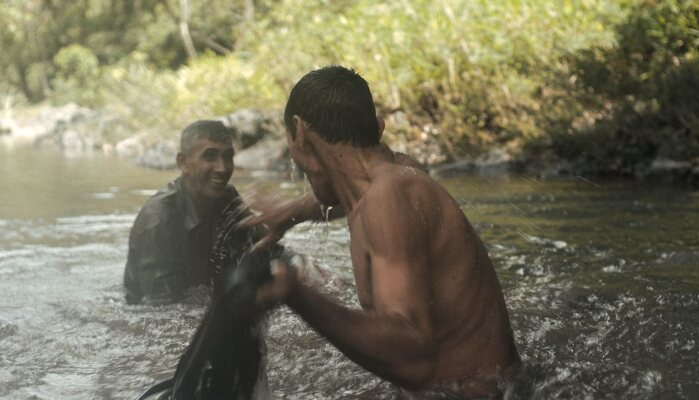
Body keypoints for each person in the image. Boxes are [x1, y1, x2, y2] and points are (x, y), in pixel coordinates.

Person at [242, 66, 521, 397]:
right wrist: (289, 214)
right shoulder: (398, 176)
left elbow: (414, 359)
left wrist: (295, 293)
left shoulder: (387, 198)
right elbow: (346, 192)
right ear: (376, 128)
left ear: (299, 133)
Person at [123, 119, 242, 304]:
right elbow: (162, 312)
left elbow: (263, 255)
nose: (223, 168)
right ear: (183, 163)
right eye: (210, 157)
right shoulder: (158, 219)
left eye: (228, 157)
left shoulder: (227, 199)